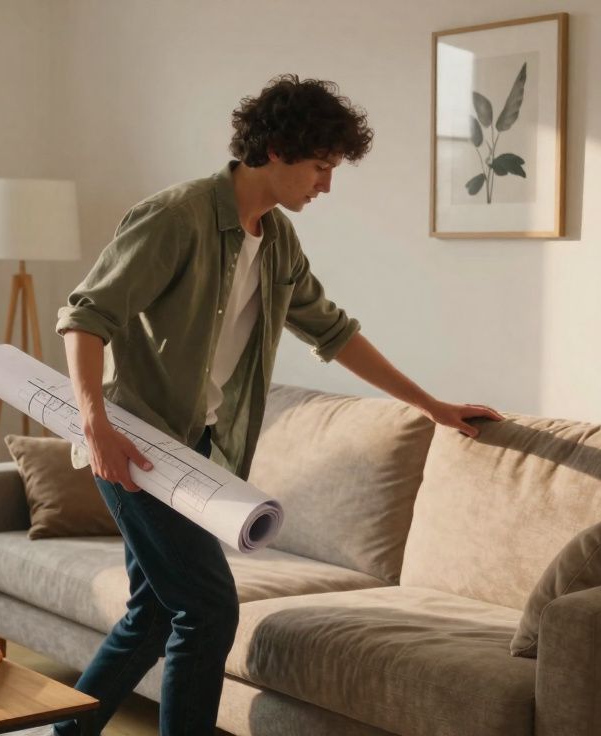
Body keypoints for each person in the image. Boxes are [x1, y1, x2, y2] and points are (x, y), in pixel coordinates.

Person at [52, 74, 503, 736]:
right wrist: (94, 426)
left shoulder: (278, 242)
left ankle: (62, 731)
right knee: (208, 609)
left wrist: (431, 405)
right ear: (275, 151)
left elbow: (334, 332)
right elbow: (85, 318)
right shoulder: (176, 218)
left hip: (196, 448)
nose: (326, 185)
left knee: (154, 613)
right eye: (320, 166)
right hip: (134, 442)